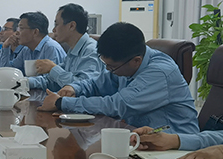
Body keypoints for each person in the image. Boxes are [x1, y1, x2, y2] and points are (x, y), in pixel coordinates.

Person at [38, 22, 199, 135]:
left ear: (136, 61)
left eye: (112, 67)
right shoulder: (125, 64)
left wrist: (61, 102)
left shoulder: (159, 72)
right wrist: (74, 88)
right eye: (106, 65)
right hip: (140, 137)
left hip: (174, 146)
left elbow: (117, 105)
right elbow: (97, 83)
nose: (109, 70)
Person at [27, 4, 102, 91]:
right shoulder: (72, 50)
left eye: (56, 24)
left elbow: (82, 87)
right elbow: (54, 81)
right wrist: (25, 82)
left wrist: (52, 68)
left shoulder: (91, 51)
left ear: (72, 26)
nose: (53, 30)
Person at [0, 11, 66, 72]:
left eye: (21, 28)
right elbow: (7, 71)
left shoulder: (51, 48)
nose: (17, 33)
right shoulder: (26, 50)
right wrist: (5, 46)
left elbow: (51, 79)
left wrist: (25, 80)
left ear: (35, 32)